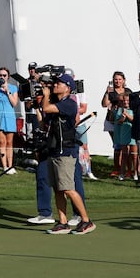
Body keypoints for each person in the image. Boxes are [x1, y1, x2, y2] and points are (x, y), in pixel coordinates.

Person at [36, 74, 95, 234]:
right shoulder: (56, 104)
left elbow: (48, 108)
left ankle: (86, 220)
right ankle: (63, 222)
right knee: (58, 189)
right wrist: (37, 106)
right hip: (54, 150)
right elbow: (43, 124)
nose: (55, 85)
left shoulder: (69, 103)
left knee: (67, 188)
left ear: (67, 87)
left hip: (65, 151)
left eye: (58, 83)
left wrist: (46, 97)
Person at [0, 67, 20, 174]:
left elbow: (14, 103)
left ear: (8, 77)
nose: (2, 77)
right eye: (0, 75)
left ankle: (10, 165)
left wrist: (7, 91)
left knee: (9, 142)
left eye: (4, 75)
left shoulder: (13, 88)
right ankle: (4, 166)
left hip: (9, 118)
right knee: (1, 142)